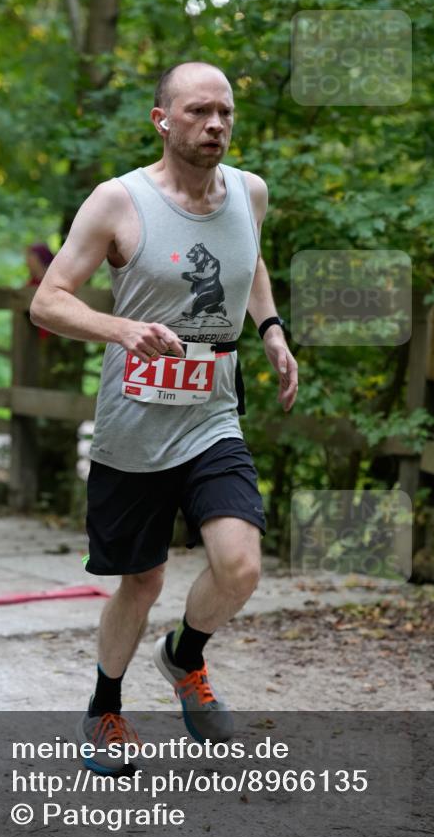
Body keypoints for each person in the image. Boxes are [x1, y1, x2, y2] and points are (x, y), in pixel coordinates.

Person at [30, 61, 298, 772]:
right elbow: (48, 300)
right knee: (140, 580)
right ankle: (105, 708)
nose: (214, 125)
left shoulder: (249, 192)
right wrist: (120, 329)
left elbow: (249, 262)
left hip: (212, 410)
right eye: (197, 112)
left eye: (225, 113)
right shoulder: (117, 202)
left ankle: (183, 658)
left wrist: (269, 327)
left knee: (239, 565)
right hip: (135, 420)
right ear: (161, 119)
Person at [25, 243, 55, 341]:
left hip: (54, 333)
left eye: (30, 257)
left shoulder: (54, 279)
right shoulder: (30, 283)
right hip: (35, 335)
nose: (27, 262)